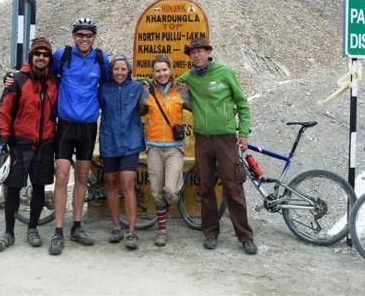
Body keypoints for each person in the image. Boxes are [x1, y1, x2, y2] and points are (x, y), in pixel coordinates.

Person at [177, 37, 257, 254]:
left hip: (226, 139)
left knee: (233, 187)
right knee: (205, 188)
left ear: (208, 52)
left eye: (200, 51)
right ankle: (210, 233)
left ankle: (245, 236)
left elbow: (242, 103)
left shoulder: (224, 72)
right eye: (192, 53)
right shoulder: (190, 77)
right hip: (202, 140)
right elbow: (171, 85)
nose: (196, 55)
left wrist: (243, 133)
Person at [49, 18, 110, 255]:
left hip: (87, 126)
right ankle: (58, 230)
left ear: (94, 37)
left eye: (88, 35)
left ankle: (76, 226)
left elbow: (110, 81)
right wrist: (13, 77)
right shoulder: (61, 55)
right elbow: (42, 72)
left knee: (83, 177)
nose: (84, 39)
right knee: (62, 176)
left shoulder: (100, 58)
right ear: (73, 36)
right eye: (80, 35)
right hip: (65, 124)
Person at [0, 37, 58, 252]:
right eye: (37, 54)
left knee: (39, 187)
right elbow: (4, 111)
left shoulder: (54, 81)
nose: (41, 57)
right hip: (20, 142)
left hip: (45, 143)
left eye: (45, 54)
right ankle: (9, 232)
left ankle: (32, 228)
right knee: (13, 188)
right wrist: (3, 139)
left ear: (49, 58)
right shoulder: (18, 80)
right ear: (31, 56)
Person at [141, 55, 190, 247]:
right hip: (153, 147)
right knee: (156, 193)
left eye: (165, 70)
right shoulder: (147, 91)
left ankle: (176, 188)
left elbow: (199, 108)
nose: (161, 74)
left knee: (170, 190)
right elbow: (138, 111)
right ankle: (162, 230)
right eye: (157, 71)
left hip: (174, 148)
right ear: (153, 73)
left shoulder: (181, 91)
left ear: (171, 71)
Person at [99, 54, 145, 250]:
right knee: (110, 183)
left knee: (127, 183)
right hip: (109, 140)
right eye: (116, 69)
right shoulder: (103, 89)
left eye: (123, 69)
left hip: (130, 141)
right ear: (111, 71)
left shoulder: (137, 87)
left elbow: (147, 108)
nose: (119, 72)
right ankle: (117, 226)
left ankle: (132, 231)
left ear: (129, 71)